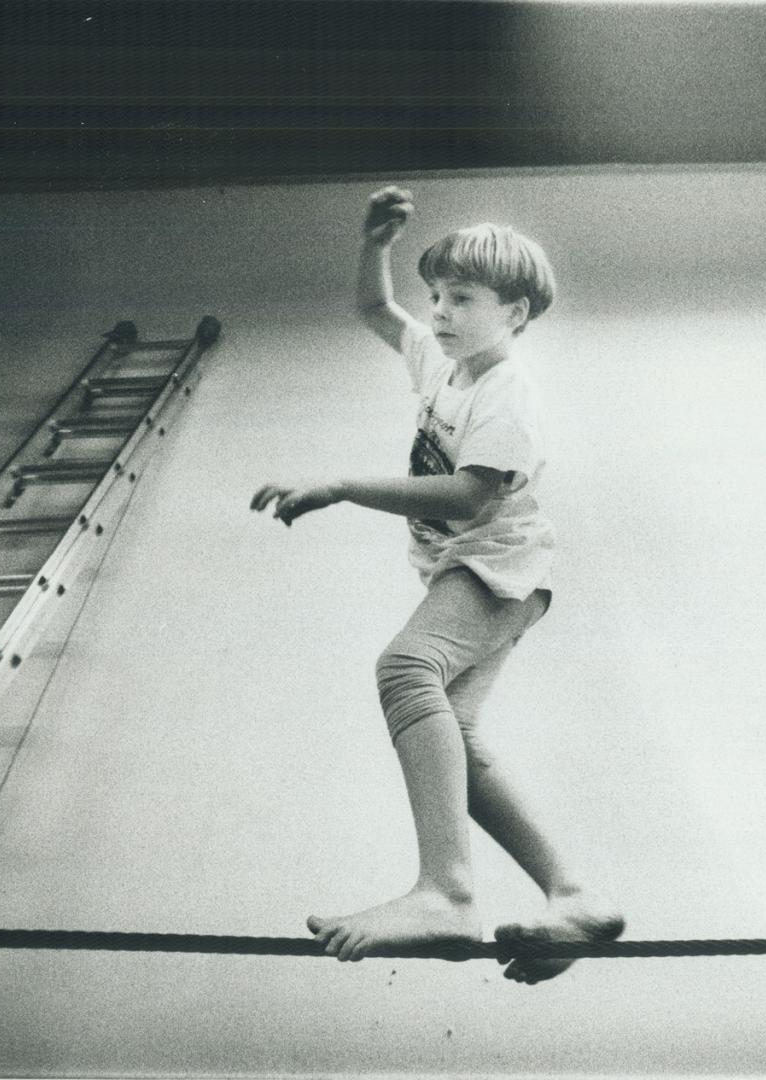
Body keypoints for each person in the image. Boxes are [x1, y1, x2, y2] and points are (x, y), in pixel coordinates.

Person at [251, 186, 624, 984]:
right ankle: (576, 896)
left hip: (496, 569)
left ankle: (446, 893)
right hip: (485, 574)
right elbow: (375, 310)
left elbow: (469, 496)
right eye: (438, 297)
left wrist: (343, 485)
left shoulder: (506, 391)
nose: (441, 312)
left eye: (462, 298)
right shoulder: (442, 362)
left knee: (403, 670)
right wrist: (375, 241)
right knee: (456, 731)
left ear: (515, 313)